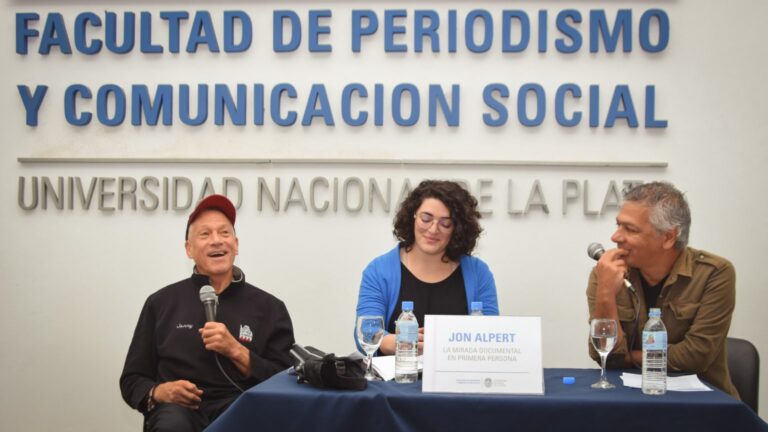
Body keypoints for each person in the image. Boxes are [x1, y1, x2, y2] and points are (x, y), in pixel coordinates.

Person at [120, 194, 295, 431]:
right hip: (178, 412)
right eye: (205, 234)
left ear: (236, 244)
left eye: (224, 233)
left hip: (241, 409)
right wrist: (160, 391)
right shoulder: (160, 303)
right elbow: (132, 379)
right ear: (188, 249)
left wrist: (236, 351)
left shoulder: (270, 308)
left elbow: (286, 382)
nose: (216, 241)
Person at [586, 182, 739, 398]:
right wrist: (605, 292)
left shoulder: (714, 273)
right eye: (618, 225)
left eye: (630, 229)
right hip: (626, 400)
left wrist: (629, 357)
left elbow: (695, 357)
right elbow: (604, 355)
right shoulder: (606, 272)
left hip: (702, 404)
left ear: (668, 237)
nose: (615, 237)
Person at [355, 180, 499, 355]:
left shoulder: (478, 273)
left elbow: (491, 336)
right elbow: (366, 333)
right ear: (413, 216)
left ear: (458, 228)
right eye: (426, 218)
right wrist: (401, 342)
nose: (433, 229)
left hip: (456, 373)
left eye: (445, 223)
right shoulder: (379, 271)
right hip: (398, 371)